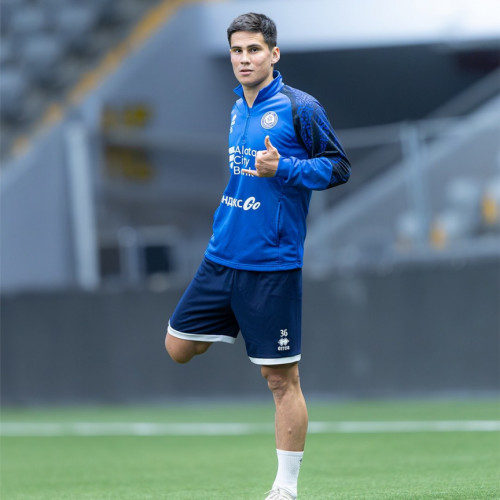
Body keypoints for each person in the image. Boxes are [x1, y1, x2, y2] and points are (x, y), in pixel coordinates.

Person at [165, 12, 350, 500]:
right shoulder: (236, 108)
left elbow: (338, 167)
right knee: (177, 347)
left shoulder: (300, 107)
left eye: (254, 50)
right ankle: (232, 322)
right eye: (237, 50)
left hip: (272, 263)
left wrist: (283, 167)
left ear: (274, 54)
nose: (244, 59)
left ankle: (285, 489)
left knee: (280, 379)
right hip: (221, 254)